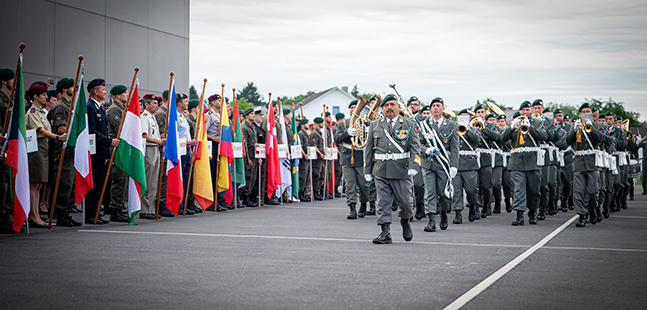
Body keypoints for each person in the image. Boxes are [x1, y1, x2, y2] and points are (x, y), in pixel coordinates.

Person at [365, 94, 421, 244]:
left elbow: (415, 146)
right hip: (380, 170)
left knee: (405, 203)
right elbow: (368, 149)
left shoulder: (408, 124)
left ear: (398, 107)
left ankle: (405, 221)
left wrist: (414, 165)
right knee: (382, 202)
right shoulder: (375, 124)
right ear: (382, 108)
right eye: (386, 105)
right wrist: (367, 171)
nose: (389, 107)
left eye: (392, 104)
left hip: (401, 170)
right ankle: (385, 233)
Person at [25, 83, 68, 228]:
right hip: (36, 147)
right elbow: (42, 131)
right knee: (34, 183)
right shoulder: (32, 112)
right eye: (43, 95)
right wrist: (57, 137)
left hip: (43, 147)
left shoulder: (40, 112)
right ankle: (33, 215)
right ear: (35, 97)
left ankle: (36, 214)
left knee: (39, 184)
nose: (45, 97)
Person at [499, 101, 548, 226]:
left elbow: (544, 136)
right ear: (520, 111)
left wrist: (530, 127)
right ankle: (519, 215)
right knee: (519, 189)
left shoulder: (537, 122)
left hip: (533, 161)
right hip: (517, 162)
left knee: (533, 190)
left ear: (531, 110)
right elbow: (502, 139)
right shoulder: (514, 123)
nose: (525, 112)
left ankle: (532, 213)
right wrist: (511, 128)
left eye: (527, 110)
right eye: (523, 110)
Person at [420, 97, 459, 232]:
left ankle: (443, 214)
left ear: (443, 108)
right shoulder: (424, 125)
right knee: (429, 192)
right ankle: (431, 220)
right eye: (433, 106)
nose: (435, 108)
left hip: (444, 164)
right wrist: (426, 150)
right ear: (430, 109)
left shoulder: (451, 125)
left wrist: (454, 165)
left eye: (438, 105)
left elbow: (454, 147)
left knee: (443, 193)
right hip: (428, 164)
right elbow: (419, 144)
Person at [85, 78, 119, 224]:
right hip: (94, 152)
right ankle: (90, 214)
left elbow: (103, 130)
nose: (105, 92)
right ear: (95, 92)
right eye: (103, 89)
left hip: (101, 152)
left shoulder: (100, 108)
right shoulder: (90, 107)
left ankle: (96, 212)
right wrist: (109, 142)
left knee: (99, 185)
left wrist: (106, 152)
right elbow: (91, 131)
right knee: (93, 186)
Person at [565, 103, 604, 227]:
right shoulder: (577, 127)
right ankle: (581, 215)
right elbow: (567, 141)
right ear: (580, 114)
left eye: (588, 111)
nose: (586, 113)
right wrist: (575, 130)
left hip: (592, 162)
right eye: (583, 111)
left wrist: (592, 128)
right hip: (579, 163)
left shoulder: (597, 125)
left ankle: (592, 209)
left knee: (593, 191)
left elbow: (600, 139)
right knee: (578, 192)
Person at [334, 100, 370, 219]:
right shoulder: (343, 124)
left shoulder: (366, 123)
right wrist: (347, 133)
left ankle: (364, 203)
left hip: (360, 156)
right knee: (349, 185)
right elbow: (337, 139)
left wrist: (366, 131)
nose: (353, 109)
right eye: (351, 107)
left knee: (364, 185)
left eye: (356, 107)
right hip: (347, 156)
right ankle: (352, 208)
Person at [106, 84, 130, 222]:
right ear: (116, 95)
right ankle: (115, 209)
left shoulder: (122, 109)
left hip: (123, 147)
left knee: (123, 179)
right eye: (124, 93)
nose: (126, 95)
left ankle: (120, 207)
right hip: (117, 147)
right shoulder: (114, 109)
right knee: (118, 178)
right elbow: (119, 128)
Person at [451, 109, 481, 225]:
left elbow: (477, 140)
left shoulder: (474, 129)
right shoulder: (454, 129)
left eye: (465, 118)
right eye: (461, 118)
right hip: (457, 163)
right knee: (456, 191)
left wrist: (467, 130)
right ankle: (458, 213)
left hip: (470, 164)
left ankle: (473, 206)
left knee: (472, 190)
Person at [140, 95, 165, 219]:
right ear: (146, 105)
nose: (157, 105)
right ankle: (144, 209)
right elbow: (143, 135)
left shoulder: (152, 117)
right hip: (149, 149)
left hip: (155, 148)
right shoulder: (144, 117)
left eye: (157, 103)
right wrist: (158, 141)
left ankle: (151, 208)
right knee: (148, 179)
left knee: (154, 181)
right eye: (154, 103)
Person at [205, 93, 228, 211]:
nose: (220, 103)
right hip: (212, 145)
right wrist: (213, 138)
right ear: (213, 102)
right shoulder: (209, 115)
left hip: (220, 146)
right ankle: (211, 202)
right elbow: (203, 132)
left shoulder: (219, 115)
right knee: (212, 172)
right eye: (218, 101)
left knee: (218, 173)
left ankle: (217, 199)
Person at [154, 90, 175, 217]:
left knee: (166, 178)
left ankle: (165, 202)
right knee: (162, 179)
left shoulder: (169, 113)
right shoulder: (162, 113)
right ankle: (160, 204)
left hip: (169, 150)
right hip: (163, 150)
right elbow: (163, 134)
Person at [176, 93, 197, 214]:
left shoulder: (182, 117)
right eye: (185, 101)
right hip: (180, 151)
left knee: (186, 179)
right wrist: (189, 142)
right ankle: (179, 204)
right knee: (180, 179)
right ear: (179, 104)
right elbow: (175, 136)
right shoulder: (175, 116)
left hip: (187, 150)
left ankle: (183, 204)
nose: (187, 104)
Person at [0, 68, 15, 232]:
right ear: (4, 81)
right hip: (1, 145)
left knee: (7, 182)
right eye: (12, 79)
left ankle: (6, 216)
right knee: (2, 184)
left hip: (9, 145)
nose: (14, 82)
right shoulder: (0, 99)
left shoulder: (10, 100)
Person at [407, 96, 426, 220]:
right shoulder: (403, 119)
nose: (413, 106)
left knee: (418, 184)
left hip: (417, 155)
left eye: (416, 104)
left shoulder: (423, 120)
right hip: (403, 155)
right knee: (405, 186)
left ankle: (420, 205)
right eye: (411, 104)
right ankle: (407, 210)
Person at [241, 108, 259, 207]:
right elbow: (245, 145)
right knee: (248, 176)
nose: (254, 115)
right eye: (251, 114)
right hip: (250, 155)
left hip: (255, 155)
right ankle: (245, 197)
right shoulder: (244, 127)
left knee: (253, 177)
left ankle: (249, 195)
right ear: (246, 116)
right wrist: (247, 159)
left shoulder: (252, 127)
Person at [310, 117, 325, 201]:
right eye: (322, 122)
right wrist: (320, 153)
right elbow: (314, 146)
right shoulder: (314, 133)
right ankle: (315, 192)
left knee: (321, 175)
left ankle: (317, 191)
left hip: (320, 158)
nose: (323, 124)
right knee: (316, 175)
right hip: (317, 158)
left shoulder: (319, 133)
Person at [297, 118, 311, 202]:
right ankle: (300, 192)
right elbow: (300, 145)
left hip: (307, 158)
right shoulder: (301, 134)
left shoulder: (306, 134)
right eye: (306, 123)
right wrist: (304, 154)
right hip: (303, 158)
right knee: (302, 176)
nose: (308, 125)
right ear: (302, 125)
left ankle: (304, 192)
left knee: (306, 176)